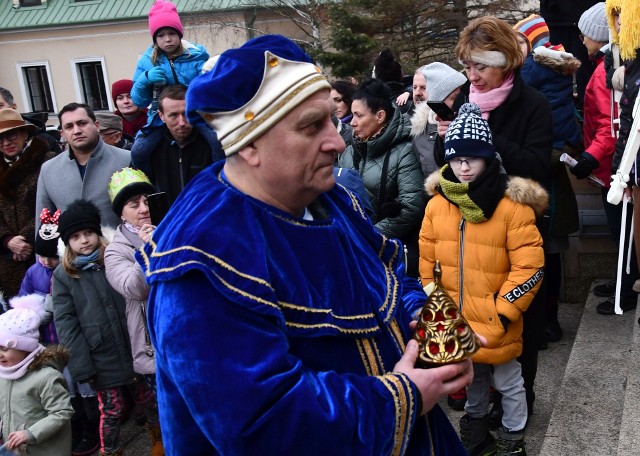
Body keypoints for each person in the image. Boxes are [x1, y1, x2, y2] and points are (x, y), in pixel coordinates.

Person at [136, 34, 473, 455]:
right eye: (312, 127)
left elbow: (388, 274)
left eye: (333, 121)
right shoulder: (203, 258)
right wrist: (398, 399)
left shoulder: (331, 198)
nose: (337, 140)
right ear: (250, 144)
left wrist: (425, 321)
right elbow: (260, 423)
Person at [432, 15, 553, 419]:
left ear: (504, 62)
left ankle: (521, 401)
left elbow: (537, 165)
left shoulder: (532, 102)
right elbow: (448, 165)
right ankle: (477, 404)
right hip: (468, 229)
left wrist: (484, 138)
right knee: (473, 315)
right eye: (467, 67)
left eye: (479, 66)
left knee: (519, 322)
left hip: (515, 229)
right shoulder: (464, 97)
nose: (472, 76)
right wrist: (446, 138)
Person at [419, 103, 546, 456]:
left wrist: (504, 310)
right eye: (457, 158)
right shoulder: (437, 205)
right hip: (456, 317)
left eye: (472, 158)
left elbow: (529, 266)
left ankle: (512, 435)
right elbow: (427, 261)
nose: (463, 166)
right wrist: (437, 305)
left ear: (488, 158)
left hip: (495, 316)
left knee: (508, 381)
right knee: (470, 379)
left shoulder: (511, 206)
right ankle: (476, 431)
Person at [515, 14, 583, 342]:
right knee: (551, 252)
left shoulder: (532, 68)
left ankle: (542, 322)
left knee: (541, 252)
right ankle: (550, 320)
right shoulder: (558, 63)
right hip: (556, 161)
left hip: (542, 171)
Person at [52, 199, 138, 456]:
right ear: (67, 242)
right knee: (111, 410)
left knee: (150, 400)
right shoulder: (63, 276)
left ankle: (158, 439)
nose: (84, 240)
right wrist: (80, 365)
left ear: (97, 232)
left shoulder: (113, 257)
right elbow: (65, 323)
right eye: (76, 236)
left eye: (88, 232)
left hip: (132, 343)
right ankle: (110, 450)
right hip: (101, 355)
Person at [577, 2, 640, 315]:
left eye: (585, 34)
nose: (581, 40)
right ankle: (623, 280)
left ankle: (626, 290)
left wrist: (590, 157)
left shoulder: (608, 67)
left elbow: (610, 121)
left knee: (624, 231)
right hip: (610, 163)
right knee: (623, 230)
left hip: (612, 164)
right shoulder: (606, 64)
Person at [337, 79, 426, 277]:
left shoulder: (404, 150)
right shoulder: (349, 150)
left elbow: (411, 206)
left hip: (388, 257)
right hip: (351, 250)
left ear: (380, 116)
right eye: (352, 115)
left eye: (359, 115)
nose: (352, 122)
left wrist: (368, 236)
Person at [104, 168, 163, 455]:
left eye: (147, 200)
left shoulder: (172, 226)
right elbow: (135, 289)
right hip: (153, 348)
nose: (144, 208)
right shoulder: (116, 250)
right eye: (134, 204)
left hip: (189, 338)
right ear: (121, 214)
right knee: (170, 416)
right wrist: (149, 249)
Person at [36, 103, 131, 230]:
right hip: (70, 248)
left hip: (121, 247)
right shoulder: (48, 170)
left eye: (82, 123)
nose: (77, 131)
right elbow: (44, 224)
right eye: (69, 126)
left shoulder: (126, 159)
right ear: (62, 133)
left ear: (97, 125)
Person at [0, 294, 74, 455]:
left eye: (5, 349)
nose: (0, 354)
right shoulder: (3, 377)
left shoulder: (46, 377)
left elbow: (62, 412)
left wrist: (30, 433)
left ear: (25, 347)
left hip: (46, 450)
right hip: (18, 450)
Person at [131, 84, 224, 205]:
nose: (181, 122)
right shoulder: (148, 152)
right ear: (161, 116)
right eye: (173, 115)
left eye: (186, 114)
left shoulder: (212, 146)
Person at [0, 108, 55, 298]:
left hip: (44, 251)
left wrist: (24, 240)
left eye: (11, 135)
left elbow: (54, 204)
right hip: (7, 260)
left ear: (25, 134)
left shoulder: (46, 161)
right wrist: (7, 240)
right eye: (0, 138)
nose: (6, 142)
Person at [131, 0, 209, 130]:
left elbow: (208, 87)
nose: (167, 39)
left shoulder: (196, 57)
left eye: (172, 33)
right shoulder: (147, 61)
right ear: (155, 39)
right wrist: (145, 79)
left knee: (215, 143)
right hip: (160, 119)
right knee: (140, 149)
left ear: (179, 34)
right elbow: (139, 101)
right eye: (161, 35)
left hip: (196, 115)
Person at [411, 63, 468, 177]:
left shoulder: (479, 120)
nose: (463, 100)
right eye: (455, 98)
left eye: (423, 87)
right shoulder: (418, 129)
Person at [330, 80, 356, 147]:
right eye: (330, 102)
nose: (334, 106)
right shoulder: (327, 127)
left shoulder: (358, 126)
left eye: (338, 100)